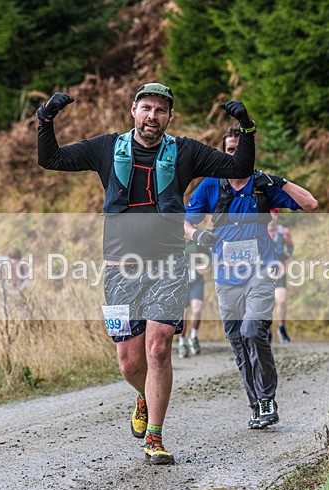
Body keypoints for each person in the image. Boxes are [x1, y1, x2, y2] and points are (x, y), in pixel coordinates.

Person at [37, 83, 257, 464]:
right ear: (133, 110)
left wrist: (248, 130)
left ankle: (154, 436)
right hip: (120, 271)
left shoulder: (185, 151)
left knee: (158, 348)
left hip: (169, 266)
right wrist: (46, 120)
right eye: (147, 108)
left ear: (169, 117)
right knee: (129, 361)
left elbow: (240, 168)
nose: (153, 116)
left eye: (160, 110)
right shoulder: (107, 147)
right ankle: (143, 395)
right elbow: (51, 159)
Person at [184, 125, 318, 429]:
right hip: (225, 279)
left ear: (250, 152)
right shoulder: (211, 186)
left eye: (240, 149)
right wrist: (198, 236)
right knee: (237, 342)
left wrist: (281, 182)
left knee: (252, 330)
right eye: (230, 150)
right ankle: (256, 404)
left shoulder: (263, 185)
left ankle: (268, 398)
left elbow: (311, 203)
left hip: (261, 272)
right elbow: (183, 223)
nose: (235, 155)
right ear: (223, 153)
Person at [176, 239, 210, 358]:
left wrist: (203, 266)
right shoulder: (173, 241)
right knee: (183, 315)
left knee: (197, 310)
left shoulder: (197, 242)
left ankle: (193, 337)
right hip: (180, 283)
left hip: (196, 281)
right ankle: (182, 343)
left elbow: (208, 256)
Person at [268, 210, 294, 343]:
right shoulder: (259, 231)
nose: (270, 218)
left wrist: (286, 255)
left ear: (276, 216)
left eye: (273, 215)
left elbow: (290, 246)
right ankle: (267, 331)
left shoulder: (283, 231)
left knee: (281, 300)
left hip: (280, 271)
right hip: (264, 273)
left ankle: (281, 327)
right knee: (266, 303)